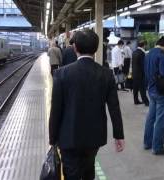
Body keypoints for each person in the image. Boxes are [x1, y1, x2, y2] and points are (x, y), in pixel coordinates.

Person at [49, 30, 125, 180]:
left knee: (71, 173)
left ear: (75, 48)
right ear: (96, 49)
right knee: (89, 168)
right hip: (94, 137)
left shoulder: (62, 74)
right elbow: (114, 107)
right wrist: (119, 135)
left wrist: (52, 139)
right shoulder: (106, 74)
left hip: (68, 137)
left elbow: (56, 110)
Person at [143, 35, 164, 155]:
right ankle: (157, 147)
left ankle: (147, 143)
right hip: (162, 91)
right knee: (161, 120)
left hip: (151, 90)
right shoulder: (163, 54)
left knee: (151, 118)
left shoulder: (149, 53)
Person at [132, 40, 149, 106]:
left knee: (135, 88)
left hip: (134, 72)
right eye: (145, 45)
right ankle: (146, 102)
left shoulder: (134, 52)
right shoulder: (142, 53)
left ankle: (136, 100)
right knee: (142, 88)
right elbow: (143, 65)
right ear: (144, 45)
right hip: (140, 73)